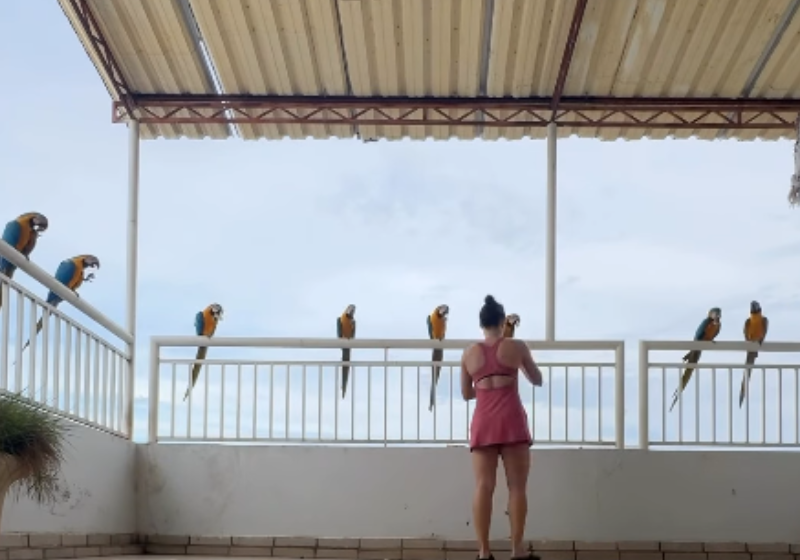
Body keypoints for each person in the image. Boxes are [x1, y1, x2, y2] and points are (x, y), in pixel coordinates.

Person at [460, 295, 543, 560]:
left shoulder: (469, 353)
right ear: (501, 321)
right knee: (517, 487)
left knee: (483, 486)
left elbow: (466, 393)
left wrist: (486, 388)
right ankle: (517, 550)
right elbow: (537, 379)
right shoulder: (516, 346)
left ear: (481, 324)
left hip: (483, 422)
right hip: (512, 421)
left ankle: (484, 552)